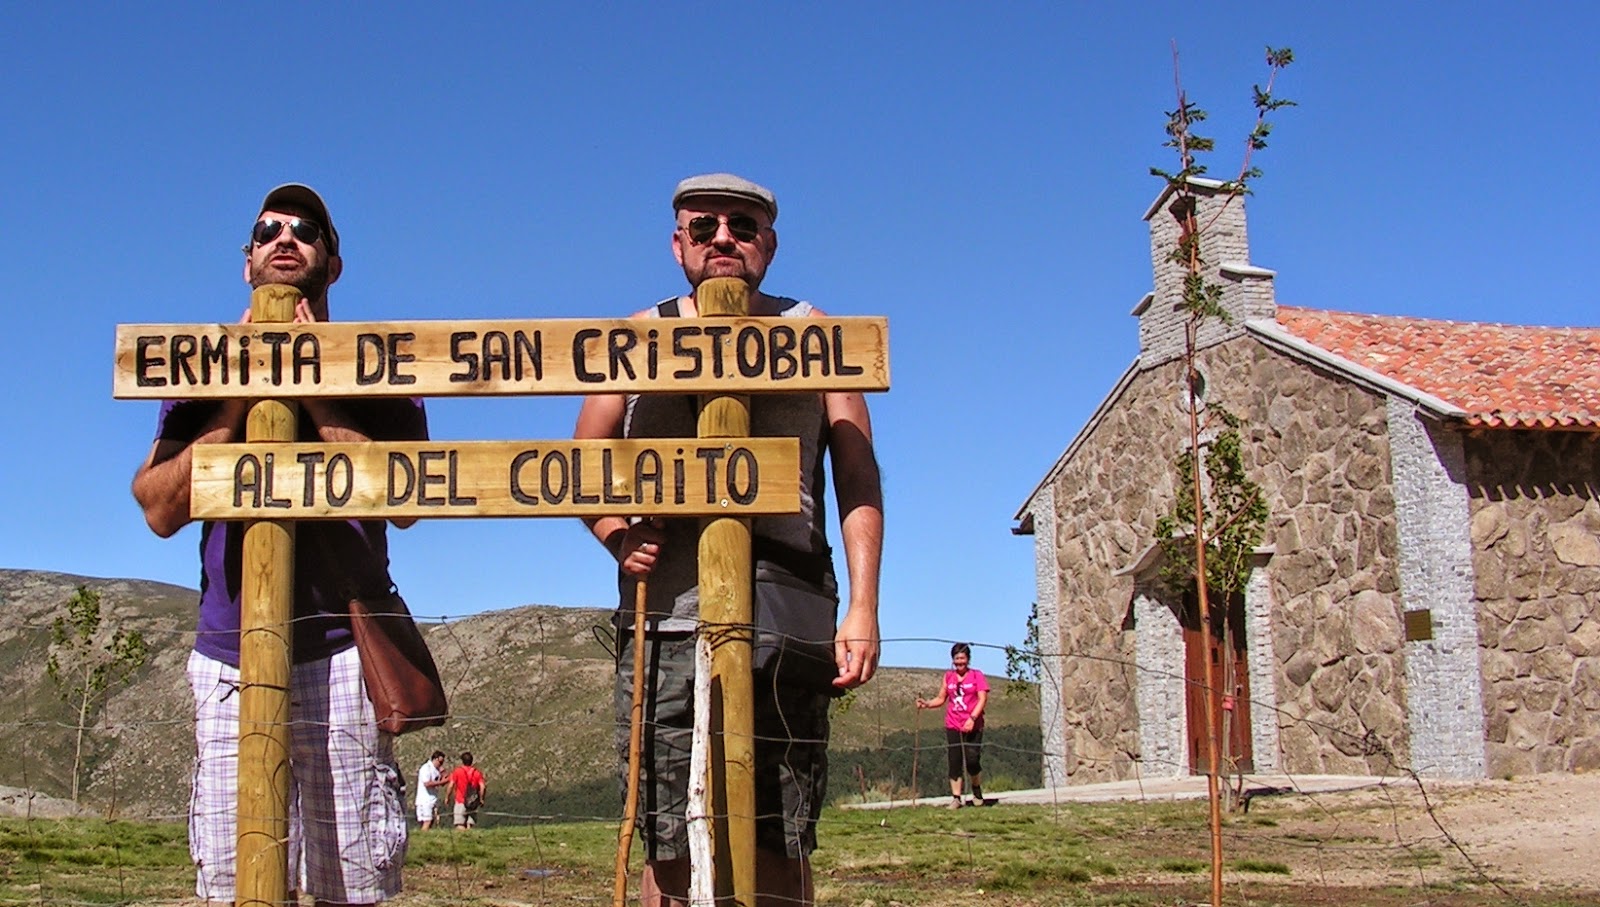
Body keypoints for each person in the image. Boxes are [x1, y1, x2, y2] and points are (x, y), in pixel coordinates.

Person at [574, 172, 884, 907]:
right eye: (705, 225)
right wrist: (616, 534)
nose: (724, 239)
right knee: (667, 841)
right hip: (665, 624)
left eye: (742, 227)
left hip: (786, 619)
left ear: (768, 245)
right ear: (678, 241)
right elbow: (580, 461)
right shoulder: (636, 332)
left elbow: (858, 479)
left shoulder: (815, 332)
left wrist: (864, 606)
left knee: (781, 834)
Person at [131, 183, 428, 906]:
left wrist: (309, 377)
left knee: (351, 886)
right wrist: (241, 384)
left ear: (334, 262)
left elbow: (408, 500)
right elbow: (158, 506)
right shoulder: (198, 373)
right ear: (248, 263)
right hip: (228, 658)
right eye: (267, 229)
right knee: (236, 884)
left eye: (306, 229)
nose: (284, 238)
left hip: (344, 659)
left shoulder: (384, 367)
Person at [916, 642, 991, 808]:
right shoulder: (948, 677)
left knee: (972, 760)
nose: (959, 663)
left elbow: (982, 699)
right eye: (956, 660)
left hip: (973, 724)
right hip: (953, 723)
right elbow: (941, 698)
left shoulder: (977, 675)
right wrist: (927, 704)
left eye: (962, 659)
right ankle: (956, 798)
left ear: (968, 659)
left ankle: (976, 789)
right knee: (954, 760)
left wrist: (972, 718)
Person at [447, 751, 486, 829]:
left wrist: (447, 797)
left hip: (460, 801)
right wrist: (481, 799)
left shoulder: (458, 771)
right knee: (470, 825)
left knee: (460, 824)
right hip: (472, 802)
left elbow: (451, 785)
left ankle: (462, 839)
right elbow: (482, 787)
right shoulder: (477, 773)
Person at [416, 751, 450, 830]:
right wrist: (443, 781)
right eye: (440, 762)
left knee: (431, 822)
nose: (441, 764)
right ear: (435, 759)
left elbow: (442, 780)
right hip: (425, 800)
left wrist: (443, 772)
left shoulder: (436, 770)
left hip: (432, 799)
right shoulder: (426, 768)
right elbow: (427, 783)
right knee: (427, 821)